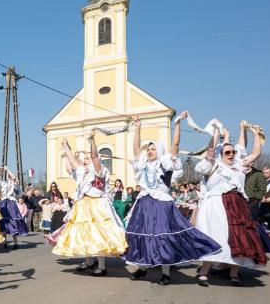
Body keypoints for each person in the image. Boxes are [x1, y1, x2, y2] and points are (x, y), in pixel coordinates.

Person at [123, 113, 220, 285]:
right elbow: (136, 148)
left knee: (163, 235)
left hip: (161, 204)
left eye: (153, 149)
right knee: (144, 235)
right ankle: (143, 267)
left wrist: (177, 123)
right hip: (144, 203)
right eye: (149, 149)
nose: (149, 151)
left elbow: (175, 144)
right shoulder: (143, 165)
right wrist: (138, 127)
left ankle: (165, 272)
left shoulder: (166, 164)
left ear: (159, 151)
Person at [194, 122, 267, 286]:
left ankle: (234, 272)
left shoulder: (239, 166)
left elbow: (256, 153)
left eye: (233, 152)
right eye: (228, 152)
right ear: (221, 153)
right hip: (217, 205)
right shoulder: (214, 165)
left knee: (238, 237)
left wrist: (256, 134)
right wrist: (215, 132)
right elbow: (211, 150)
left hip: (238, 205)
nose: (232, 154)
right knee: (216, 236)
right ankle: (204, 271)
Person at [51, 132, 127, 276]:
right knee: (85, 234)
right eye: (84, 159)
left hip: (97, 205)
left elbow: (95, 156)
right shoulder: (82, 171)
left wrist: (92, 140)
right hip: (84, 205)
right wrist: (66, 147)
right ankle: (89, 261)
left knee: (98, 234)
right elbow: (72, 163)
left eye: (87, 158)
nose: (84, 160)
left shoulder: (100, 170)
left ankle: (102, 266)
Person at [0, 167, 28, 249]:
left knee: (12, 221)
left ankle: (15, 243)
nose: (8, 176)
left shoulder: (15, 183)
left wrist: (7, 169)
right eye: (7, 175)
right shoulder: (4, 183)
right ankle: (4, 242)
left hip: (11, 203)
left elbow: (14, 178)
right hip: (3, 203)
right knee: (3, 222)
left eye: (9, 175)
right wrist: (1, 171)